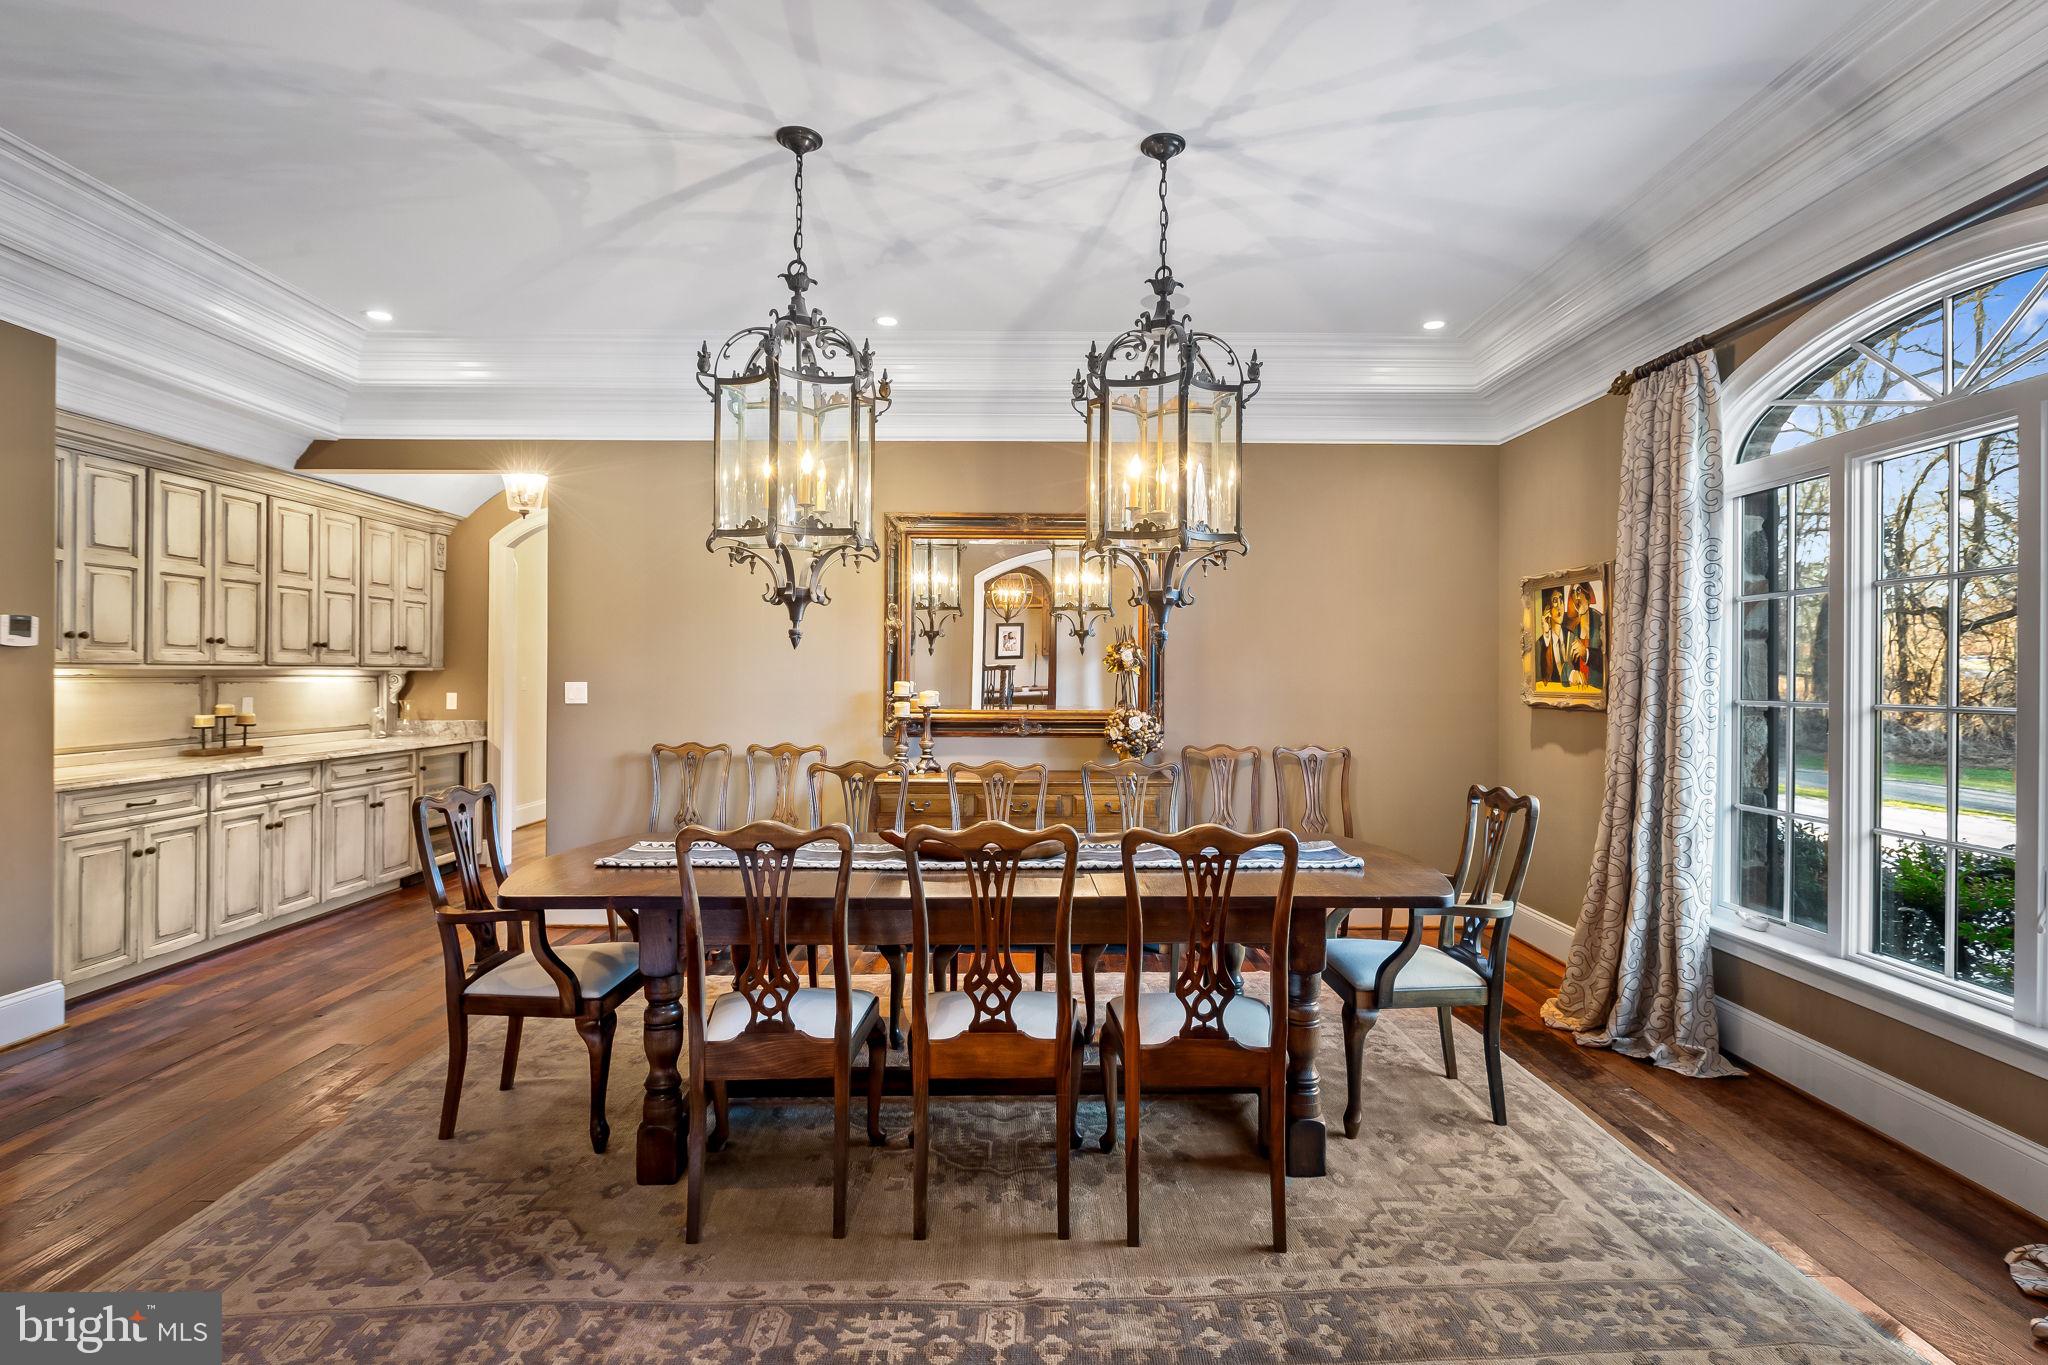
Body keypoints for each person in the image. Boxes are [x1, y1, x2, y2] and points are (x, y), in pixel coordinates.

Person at [1566, 581, 1605, 688]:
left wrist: (1586, 653)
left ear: (1588, 597)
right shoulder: (1573, 628)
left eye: (1579, 591)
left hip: (1599, 691)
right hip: (1580, 693)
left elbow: (1609, 659)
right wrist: (1572, 673)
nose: (1576, 597)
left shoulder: (1602, 622)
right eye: (1573, 593)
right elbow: (1567, 662)